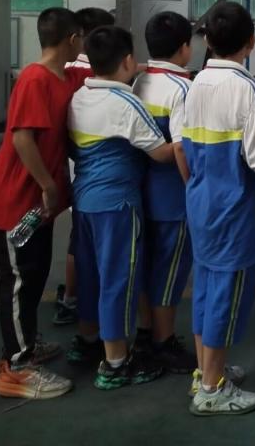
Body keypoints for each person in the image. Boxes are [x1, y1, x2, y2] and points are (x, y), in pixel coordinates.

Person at [182, 2, 255, 415]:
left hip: (200, 204)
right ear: (251, 43)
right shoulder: (244, 88)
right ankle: (212, 388)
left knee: (206, 290)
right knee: (226, 296)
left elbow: (184, 148)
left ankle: (206, 371)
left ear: (207, 40)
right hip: (232, 212)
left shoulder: (195, 84)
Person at [67, 25, 175, 389]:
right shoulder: (126, 104)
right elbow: (160, 153)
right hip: (118, 206)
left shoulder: (79, 97)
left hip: (84, 201)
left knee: (91, 274)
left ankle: (87, 340)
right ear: (128, 60)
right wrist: (187, 143)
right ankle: (115, 363)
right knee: (118, 279)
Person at [0, 8, 83, 399]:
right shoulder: (34, 79)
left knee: (35, 274)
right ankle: (16, 368)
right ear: (72, 39)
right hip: (18, 197)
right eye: (82, 38)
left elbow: (111, 70)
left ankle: (25, 343)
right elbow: (22, 138)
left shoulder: (66, 76)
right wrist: (48, 184)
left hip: (39, 202)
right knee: (17, 280)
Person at [131, 11, 197, 374]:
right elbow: (182, 147)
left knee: (147, 266)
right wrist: (193, 188)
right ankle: (164, 341)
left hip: (141, 192)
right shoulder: (182, 89)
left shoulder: (139, 81)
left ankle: (145, 332)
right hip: (172, 197)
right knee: (169, 272)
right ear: (184, 48)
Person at [56, 5, 115, 326]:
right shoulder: (94, 72)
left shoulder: (63, 67)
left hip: (73, 162)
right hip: (96, 167)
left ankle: (71, 297)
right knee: (91, 243)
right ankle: (82, 302)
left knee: (78, 237)